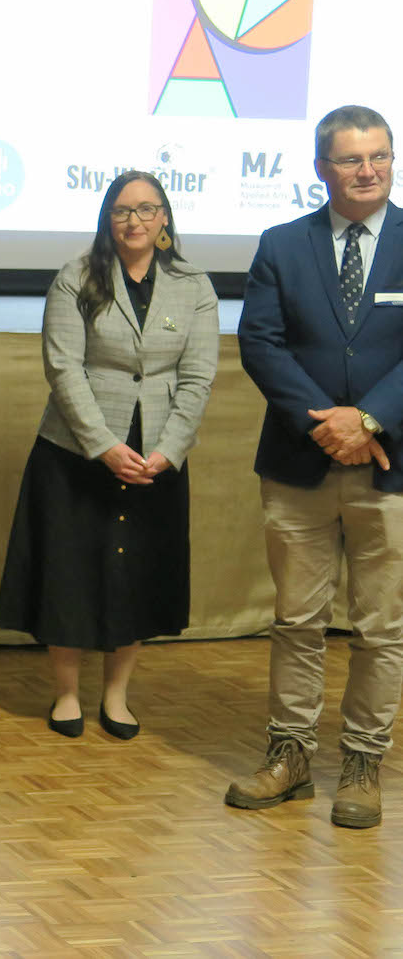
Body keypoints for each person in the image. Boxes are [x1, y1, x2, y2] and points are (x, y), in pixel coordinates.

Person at [0, 170, 219, 738]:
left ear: (164, 218)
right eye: (122, 210)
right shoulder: (76, 277)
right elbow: (62, 367)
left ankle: (117, 696)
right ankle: (66, 694)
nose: (134, 221)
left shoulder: (194, 285)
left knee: (136, 573)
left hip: (157, 456)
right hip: (75, 451)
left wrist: (168, 449)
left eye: (146, 209)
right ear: (106, 218)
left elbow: (198, 377)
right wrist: (102, 446)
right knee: (68, 569)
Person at [228, 104, 403, 830]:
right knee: (297, 620)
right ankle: (291, 755)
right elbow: (260, 343)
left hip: (391, 467)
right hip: (300, 464)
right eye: (351, 160)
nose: (367, 171)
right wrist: (329, 423)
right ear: (320, 168)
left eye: (380, 157)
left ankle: (362, 763)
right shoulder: (281, 243)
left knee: (381, 627)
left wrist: (368, 418)